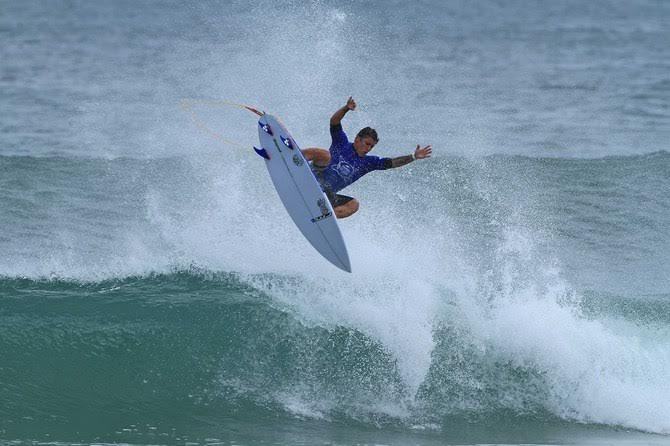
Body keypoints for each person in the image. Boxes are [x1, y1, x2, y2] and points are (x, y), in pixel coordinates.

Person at [302, 97, 432, 218]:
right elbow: (334, 122)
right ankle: (292, 158)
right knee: (324, 155)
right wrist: (346, 108)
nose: (369, 148)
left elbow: (392, 163)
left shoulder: (369, 163)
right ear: (358, 139)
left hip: (325, 196)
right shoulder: (341, 142)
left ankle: (323, 216)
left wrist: (413, 156)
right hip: (311, 177)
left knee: (354, 205)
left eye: (372, 146)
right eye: (367, 144)